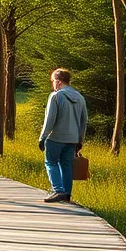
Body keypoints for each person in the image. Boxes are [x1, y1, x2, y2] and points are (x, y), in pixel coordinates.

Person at [39, 68, 88, 203]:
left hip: (55, 137)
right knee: (66, 165)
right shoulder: (80, 98)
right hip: (72, 139)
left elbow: (50, 119)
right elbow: (84, 121)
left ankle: (58, 190)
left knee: (51, 162)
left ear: (59, 82)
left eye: (53, 81)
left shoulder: (55, 96)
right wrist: (80, 140)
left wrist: (42, 137)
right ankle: (67, 194)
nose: (52, 84)